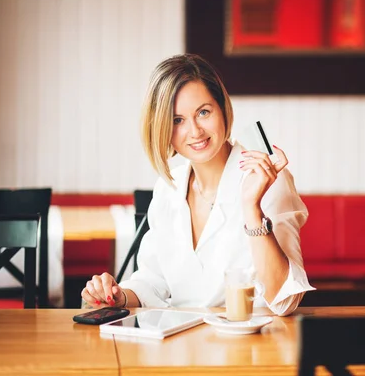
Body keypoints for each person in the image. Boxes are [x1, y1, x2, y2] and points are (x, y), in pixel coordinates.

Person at [81, 54, 314, 315]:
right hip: (180, 347)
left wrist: (252, 208)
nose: (195, 131)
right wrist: (117, 295)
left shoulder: (269, 180)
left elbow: (285, 301)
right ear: (163, 129)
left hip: (251, 348)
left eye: (203, 112)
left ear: (222, 109)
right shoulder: (168, 189)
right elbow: (152, 281)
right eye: (178, 120)